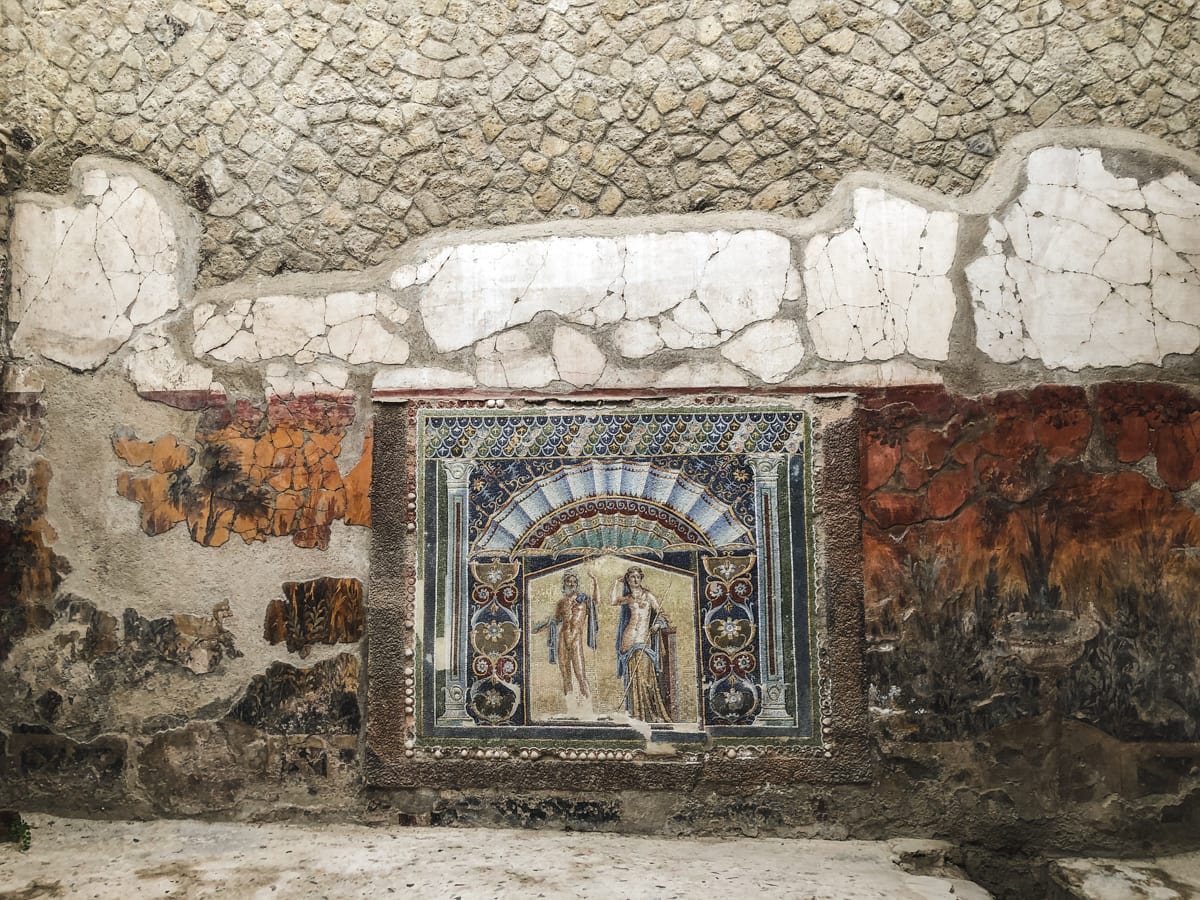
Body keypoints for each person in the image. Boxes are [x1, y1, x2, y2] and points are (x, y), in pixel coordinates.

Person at [611, 566, 671, 722]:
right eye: (632, 577)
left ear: (641, 578)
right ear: (628, 579)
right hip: (629, 639)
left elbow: (661, 613)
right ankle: (637, 713)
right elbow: (613, 601)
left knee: (645, 678)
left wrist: (657, 624)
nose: (635, 580)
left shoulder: (649, 596)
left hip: (643, 639)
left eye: (638, 576)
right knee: (634, 678)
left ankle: (650, 713)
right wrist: (617, 584)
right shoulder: (629, 598)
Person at [533, 572, 598, 698]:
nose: (571, 583)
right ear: (564, 584)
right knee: (566, 676)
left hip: (575, 639)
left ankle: (588, 705)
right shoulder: (561, 603)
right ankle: (570, 706)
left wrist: (595, 582)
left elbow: (596, 602)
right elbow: (556, 621)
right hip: (562, 638)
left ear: (577, 584)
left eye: (574, 581)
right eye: (569, 581)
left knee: (580, 675)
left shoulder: (583, 600)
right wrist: (540, 628)